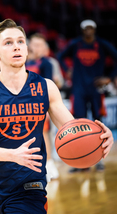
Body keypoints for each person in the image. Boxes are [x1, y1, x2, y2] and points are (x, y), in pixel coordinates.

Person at [0, 19, 114, 214]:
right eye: (8, 43)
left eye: (20, 41)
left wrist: (99, 138)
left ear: (27, 49)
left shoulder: (46, 87)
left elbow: (73, 129)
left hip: (27, 185)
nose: (16, 47)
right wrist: (11, 155)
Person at [58, 19, 117, 172]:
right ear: (82, 30)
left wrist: (110, 77)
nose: (88, 31)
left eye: (91, 28)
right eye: (86, 28)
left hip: (96, 88)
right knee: (79, 122)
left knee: (99, 121)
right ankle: (81, 160)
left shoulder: (102, 44)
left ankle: (100, 159)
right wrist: (67, 70)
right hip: (78, 88)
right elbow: (60, 56)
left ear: (95, 29)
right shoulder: (76, 44)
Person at [26, 33, 59, 180]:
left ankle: (50, 164)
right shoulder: (25, 62)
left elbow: (48, 86)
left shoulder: (46, 63)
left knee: (44, 134)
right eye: (34, 44)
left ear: (45, 47)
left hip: (40, 104)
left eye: (39, 45)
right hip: (25, 105)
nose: (35, 47)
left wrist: (45, 108)